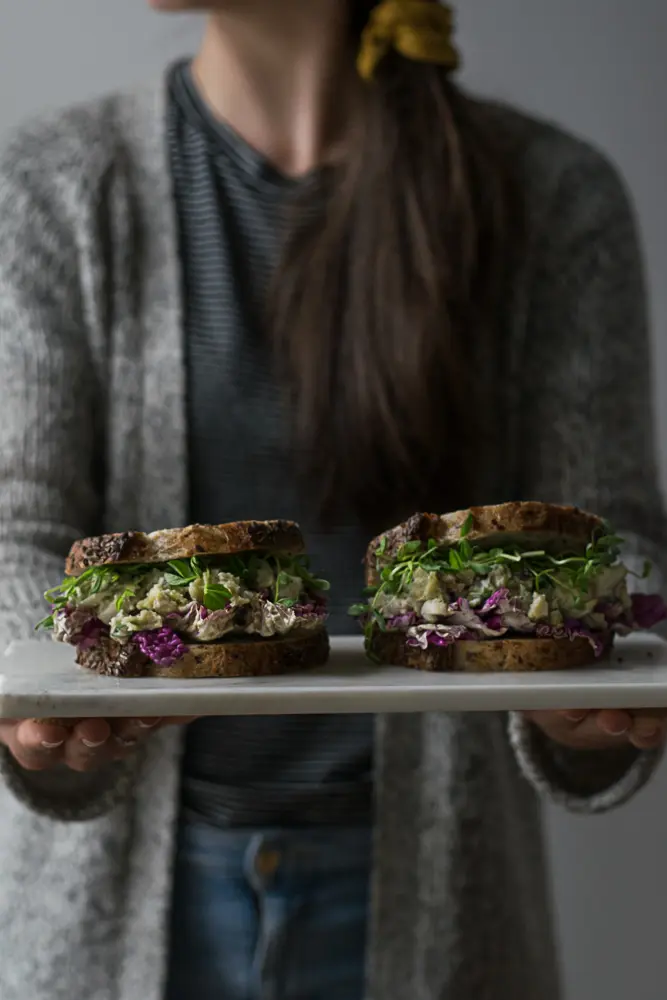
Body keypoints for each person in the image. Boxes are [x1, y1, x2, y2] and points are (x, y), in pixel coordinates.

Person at [0, 1, 665, 998]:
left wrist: (576, 697)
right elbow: (19, 529)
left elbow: (619, 541)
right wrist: (56, 694)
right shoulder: (49, 183)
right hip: (110, 923)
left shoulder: (554, 198)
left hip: (447, 925)